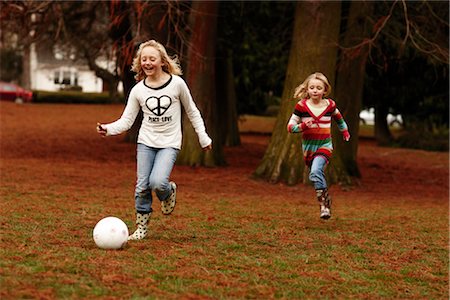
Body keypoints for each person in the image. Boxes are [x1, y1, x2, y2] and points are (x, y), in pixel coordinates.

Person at [97, 40, 212, 240]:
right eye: (144, 59)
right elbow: (127, 120)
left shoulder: (176, 84)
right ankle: (141, 228)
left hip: (169, 142)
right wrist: (108, 129)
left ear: (162, 61)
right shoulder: (139, 90)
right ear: (139, 63)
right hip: (146, 142)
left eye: (152, 59)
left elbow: (192, 112)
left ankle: (167, 192)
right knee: (142, 185)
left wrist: (203, 137)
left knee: (158, 182)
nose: (147, 63)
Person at [287, 72, 350, 219]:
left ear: (325, 90)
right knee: (314, 174)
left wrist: (345, 131)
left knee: (315, 172)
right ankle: (326, 198)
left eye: (319, 88)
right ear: (307, 89)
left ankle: (324, 206)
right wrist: (302, 126)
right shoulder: (301, 106)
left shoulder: (330, 105)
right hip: (308, 148)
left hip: (325, 145)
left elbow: (339, 119)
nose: (315, 90)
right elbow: (290, 127)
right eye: (312, 87)